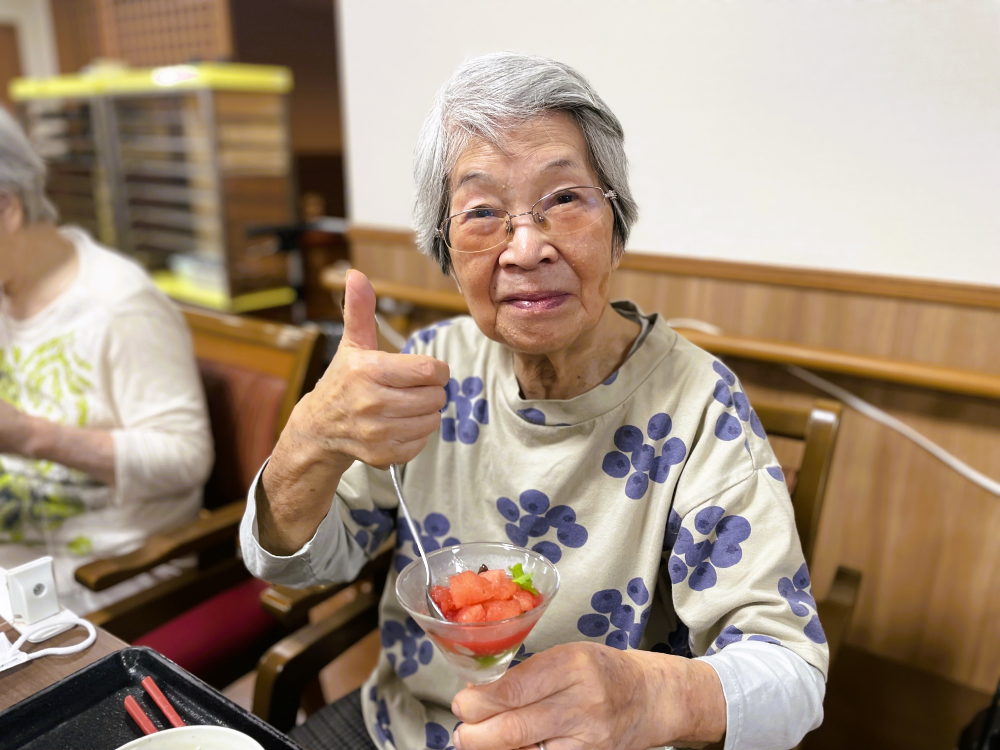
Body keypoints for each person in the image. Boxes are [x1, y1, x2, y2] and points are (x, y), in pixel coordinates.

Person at [241, 52, 827, 750]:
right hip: (400, 731)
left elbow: (791, 674)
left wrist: (645, 696)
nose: (525, 248)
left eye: (563, 200)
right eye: (483, 212)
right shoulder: (433, 369)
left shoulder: (698, 405)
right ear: (448, 253)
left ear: (617, 226)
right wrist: (309, 439)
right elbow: (303, 564)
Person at [0, 107, 213, 615]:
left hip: (106, 574)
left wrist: (32, 435)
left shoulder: (119, 305)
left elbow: (187, 457)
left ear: (6, 209)